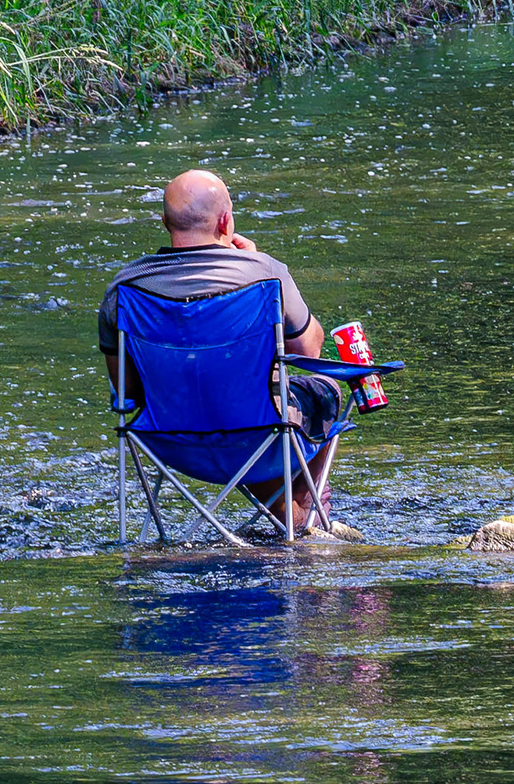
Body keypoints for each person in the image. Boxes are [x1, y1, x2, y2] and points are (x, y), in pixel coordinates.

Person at [96, 169, 358, 540]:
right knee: (324, 387)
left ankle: (294, 511)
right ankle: (304, 509)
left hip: (170, 443)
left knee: (233, 408)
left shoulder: (124, 289)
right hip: (260, 435)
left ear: (164, 222)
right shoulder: (264, 274)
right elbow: (310, 348)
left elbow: (126, 390)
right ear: (225, 221)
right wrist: (254, 263)